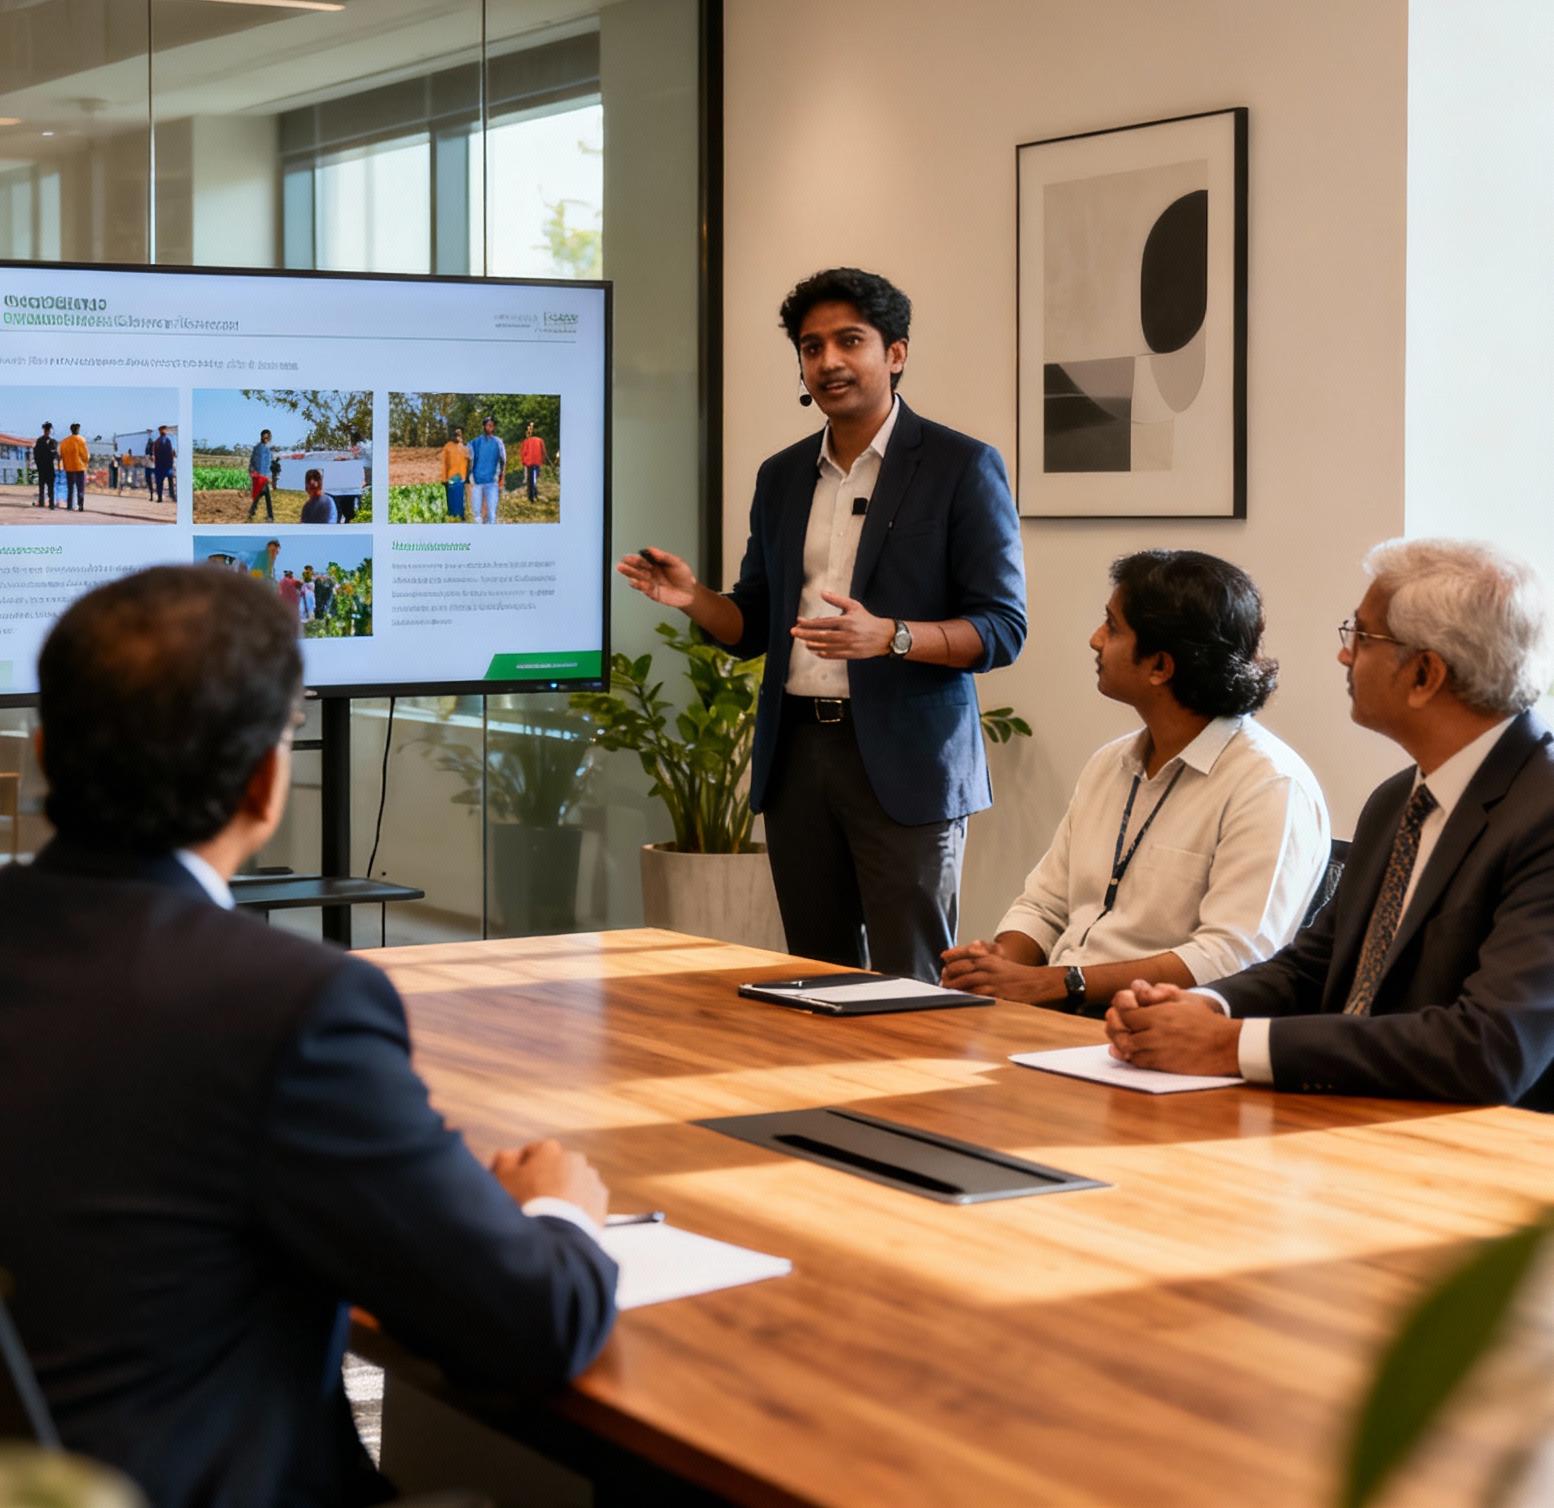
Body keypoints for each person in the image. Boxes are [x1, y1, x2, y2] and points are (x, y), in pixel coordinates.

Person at [0, 566, 617, 1504]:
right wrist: (558, 1211)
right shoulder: (291, 1004)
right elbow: (528, 1324)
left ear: (44, 753)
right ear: (266, 781)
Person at [618, 267, 1026, 981]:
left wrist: (893, 636)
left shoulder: (961, 466)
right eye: (812, 347)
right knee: (818, 973)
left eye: (850, 341)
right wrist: (692, 599)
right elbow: (750, 625)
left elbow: (1001, 628)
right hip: (799, 755)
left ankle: (915, 1097)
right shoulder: (781, 476)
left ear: (894, 353)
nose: (829, 361)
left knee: (911, 977)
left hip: (907, 762)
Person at [1106, 539, 1554, 1107]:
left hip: (1484, 1157)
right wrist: (1204, 1006)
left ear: (1424, 674)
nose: (1344, 655)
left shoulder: (1543, 812)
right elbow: (1312, 967)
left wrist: (1231, 1044)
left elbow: (1491, 1046)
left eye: (1362, 636)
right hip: (1347, 1112)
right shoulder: (1397, 800)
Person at [941, 551, 1330, 1010]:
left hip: (1154, 1028)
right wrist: (1000, 965)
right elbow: (1043, 905)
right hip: (1059, 1011)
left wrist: (1062, 982)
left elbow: (1232, 957)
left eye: (1113, 627)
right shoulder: (1109, 763)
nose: (1095, 639)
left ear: (1160, 666)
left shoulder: (1269, 785)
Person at [467, 415, 506, 524]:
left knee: (492, 515)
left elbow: (503, 461)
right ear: (484, 426)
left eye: (492, 425)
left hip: (492, 483)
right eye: (488, 425)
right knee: (477, 515)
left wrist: (502, 478)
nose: (490, 427)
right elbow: (466, 453)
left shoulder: (498, 442)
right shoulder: (476, 442)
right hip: (477, 482)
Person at [248, 428, 277, 523]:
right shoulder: (265, 450)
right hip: (262, 477)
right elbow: (263, 464)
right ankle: (269, 516)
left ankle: (252, 512)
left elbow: (253, 462)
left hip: (260, 477)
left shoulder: (258, 448)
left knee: (261, 494)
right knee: (264, 495)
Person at [441, 425, 470, 520]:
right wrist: (444, 478)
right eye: (456, 433)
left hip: (462, 477)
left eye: (460, 433)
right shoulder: (448, 446)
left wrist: (468, 477)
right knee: (452, 499)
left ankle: (461, 517)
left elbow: (469, 461)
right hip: (451, 477)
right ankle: (452, 516)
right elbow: (444, 463)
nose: (458, 435)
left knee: (460, 499)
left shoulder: (464, 447)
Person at [59, 422, 89, 510]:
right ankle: (80, 505)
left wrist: (65, 464)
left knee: (70, 488)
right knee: (80, 488)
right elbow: (85, 455)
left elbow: (62, 454)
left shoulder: (64, 442)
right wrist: (85, 464)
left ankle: (69, 505)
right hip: (80, 467)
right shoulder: (81, 440)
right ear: (78, 430)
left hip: (69, 467)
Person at [335, 437, 366, 523]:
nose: (353, 450)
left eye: (355, 448)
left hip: (352, 493)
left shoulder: (360, 462)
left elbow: (363, 480)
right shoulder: (341, 460)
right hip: (340, 493)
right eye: (352, 448)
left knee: (350, 515)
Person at [520, 418, 548, 505]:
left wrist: (523, 461)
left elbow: (523, 452)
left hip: (529, 462)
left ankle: (531, 496)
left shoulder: (526, 441)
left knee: (530, 480)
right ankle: (534, 494)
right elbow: (543, 452)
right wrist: (543, 460)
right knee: (535, 478)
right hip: (537, 461)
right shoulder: (540, 441)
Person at [33, 421, 58, 508]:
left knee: (47, 486)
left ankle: (48, 502)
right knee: (45, 486)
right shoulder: (42, 441)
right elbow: (36, 454)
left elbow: (54, 454)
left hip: (46, 467)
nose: (47, 431)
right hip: (45, 466)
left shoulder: (50, 441)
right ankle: (44, 502)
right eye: (47, 429)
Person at [151, 424, 177, 504]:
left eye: (165, 429)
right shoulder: (157, 442)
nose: (164, 431)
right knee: (159, 482)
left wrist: (172, 457)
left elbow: (172, 452)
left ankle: (172, 496)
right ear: (160, 431)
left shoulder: (168, 440)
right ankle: (159, 497)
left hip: (168, 464)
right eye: (163, 430)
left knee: (170, 481)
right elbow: (155, 453)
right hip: (160, 465)